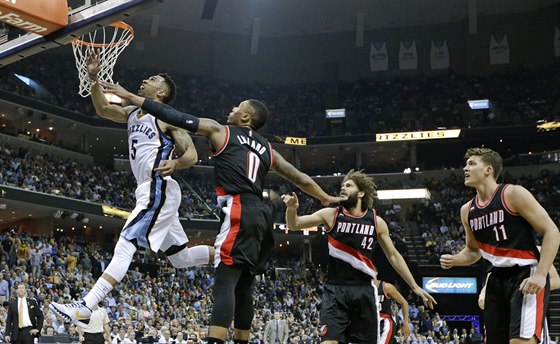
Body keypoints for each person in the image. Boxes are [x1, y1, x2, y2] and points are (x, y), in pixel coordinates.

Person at [98, 79, 345, 344]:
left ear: (246, 116)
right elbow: (301, 178)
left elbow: (176, 117)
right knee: (244, 285)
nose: (232, 108)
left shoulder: (222, 131)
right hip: (263, 215)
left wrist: (128, 96)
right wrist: (326, 197)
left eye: (237, 107)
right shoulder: (268, 150)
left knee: (225, 281)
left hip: (238, 207)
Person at [50, 53, 215, 328]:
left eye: (151, 80)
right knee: (180, 258)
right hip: (149, 189)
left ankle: (86, 306)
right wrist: (93, 78)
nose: (144, 80)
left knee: (126, 243)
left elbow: (192, 156)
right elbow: (103, 109)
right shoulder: (132, 112)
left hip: (157, 187)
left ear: (161, 92)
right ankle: (228, 253)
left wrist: (174, 162)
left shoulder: (167, 119)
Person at [282, 170, 436, 344]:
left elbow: (393, 255)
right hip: (335, 290)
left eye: (348, 185)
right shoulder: (331, 214)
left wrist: (414, 286)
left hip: (364, 290)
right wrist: (291, 209)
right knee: (328, 341)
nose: (343, 188)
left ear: (361, 192)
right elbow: (294, 224)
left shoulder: (376, 221)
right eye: (342, 186)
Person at [440, 147, 560, 344]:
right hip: (495, 279)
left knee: (520, 341)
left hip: (524, 274)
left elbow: (552, 232)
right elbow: (473, 251)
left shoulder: (513, 194)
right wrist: (456, 259)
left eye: (471, 163)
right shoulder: (466, 210)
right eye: (465, 164)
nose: (465, 168)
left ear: (488, 169)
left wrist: (541, 274)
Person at [478, 246, 560, 343]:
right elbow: (491, 274)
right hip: (503, 306)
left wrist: (532, 284)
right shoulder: (497, 252)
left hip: (529, 305)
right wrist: (484, 291)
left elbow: (556, 280)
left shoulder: (535, 250)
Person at [374, 278, 410, 344]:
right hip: (369, 322)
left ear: (375, 273)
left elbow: (404, 303)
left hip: (384, 321)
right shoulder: (363, 287)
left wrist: (406, 323)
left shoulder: (386, 287)